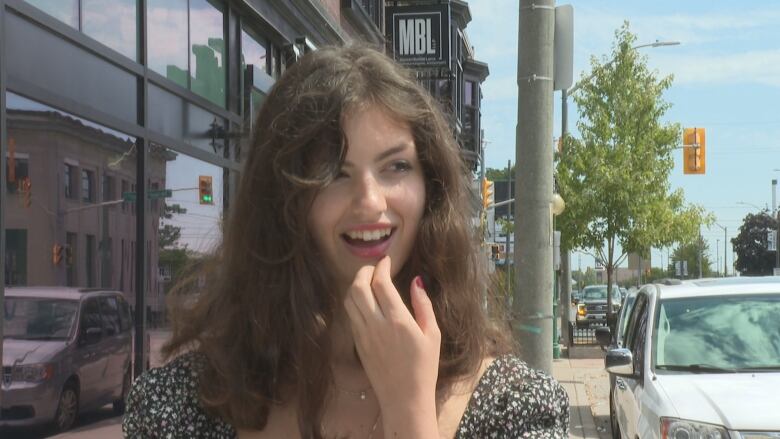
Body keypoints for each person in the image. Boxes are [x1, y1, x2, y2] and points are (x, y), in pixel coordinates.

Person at [122, 45, 569, 438]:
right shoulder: (180, 405)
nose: (370, 202)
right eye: (334, 173)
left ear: (430, 187)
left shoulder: (516, 408)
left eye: (395, 167)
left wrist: (409, 413)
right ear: (283, 200)